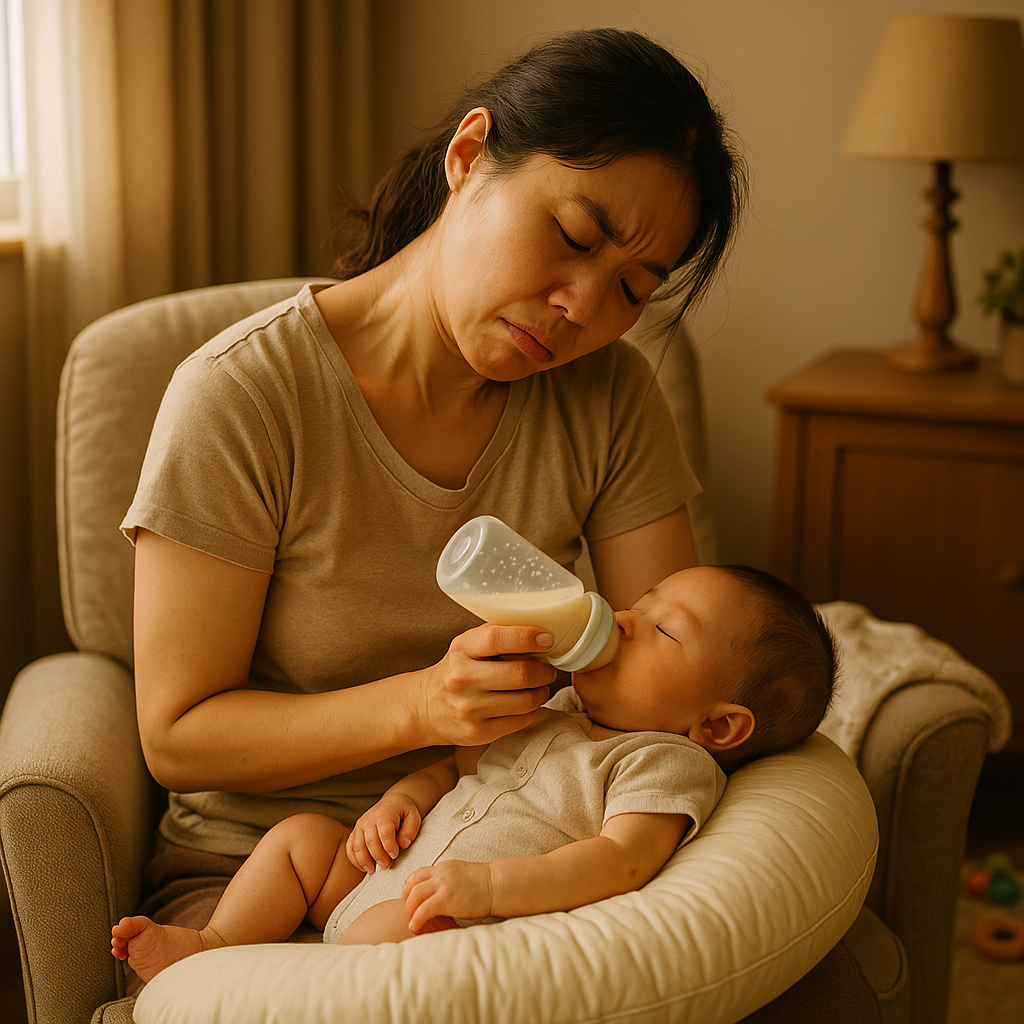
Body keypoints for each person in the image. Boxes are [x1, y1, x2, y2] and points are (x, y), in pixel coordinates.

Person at [117, 26, 746, 993]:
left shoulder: (611, 397)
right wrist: (423, 705)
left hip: (521, 842)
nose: (582, 305)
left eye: (631, 287)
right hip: (263, 870)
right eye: (575, 236)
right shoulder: (245, 396)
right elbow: (178, 735)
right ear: (468, 155)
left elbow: (664, 662)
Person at [111, 564, 836, 980]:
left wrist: (488, 888)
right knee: (302, 839)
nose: (622, 617)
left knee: (391, 935)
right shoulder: (553, 706)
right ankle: (214, 944)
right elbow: (457, 770)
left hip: (452, 919)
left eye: (664, 628)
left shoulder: (663, 761)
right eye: (642, 602)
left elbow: (621, 861)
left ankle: (304, 991)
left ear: (717, 725)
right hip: (373, 883)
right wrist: (399, 799)